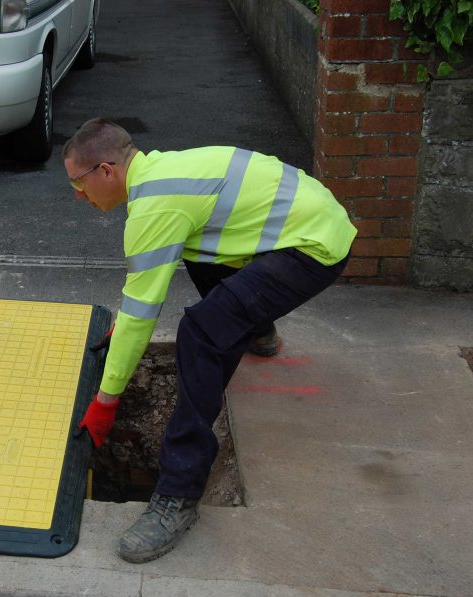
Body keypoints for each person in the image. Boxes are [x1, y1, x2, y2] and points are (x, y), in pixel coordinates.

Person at [66, 118, 356, 563]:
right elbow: (147, 288)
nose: (77, 195)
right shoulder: (165, 172)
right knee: (196, 246)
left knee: (200, 335)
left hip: (313, 247)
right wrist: (124, 324)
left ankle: (178, 496)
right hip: (306, 221)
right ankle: (255, 326)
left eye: (79, 183)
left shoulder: (156, 206)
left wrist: (107, 399)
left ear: (106, 170)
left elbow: (143, 312)